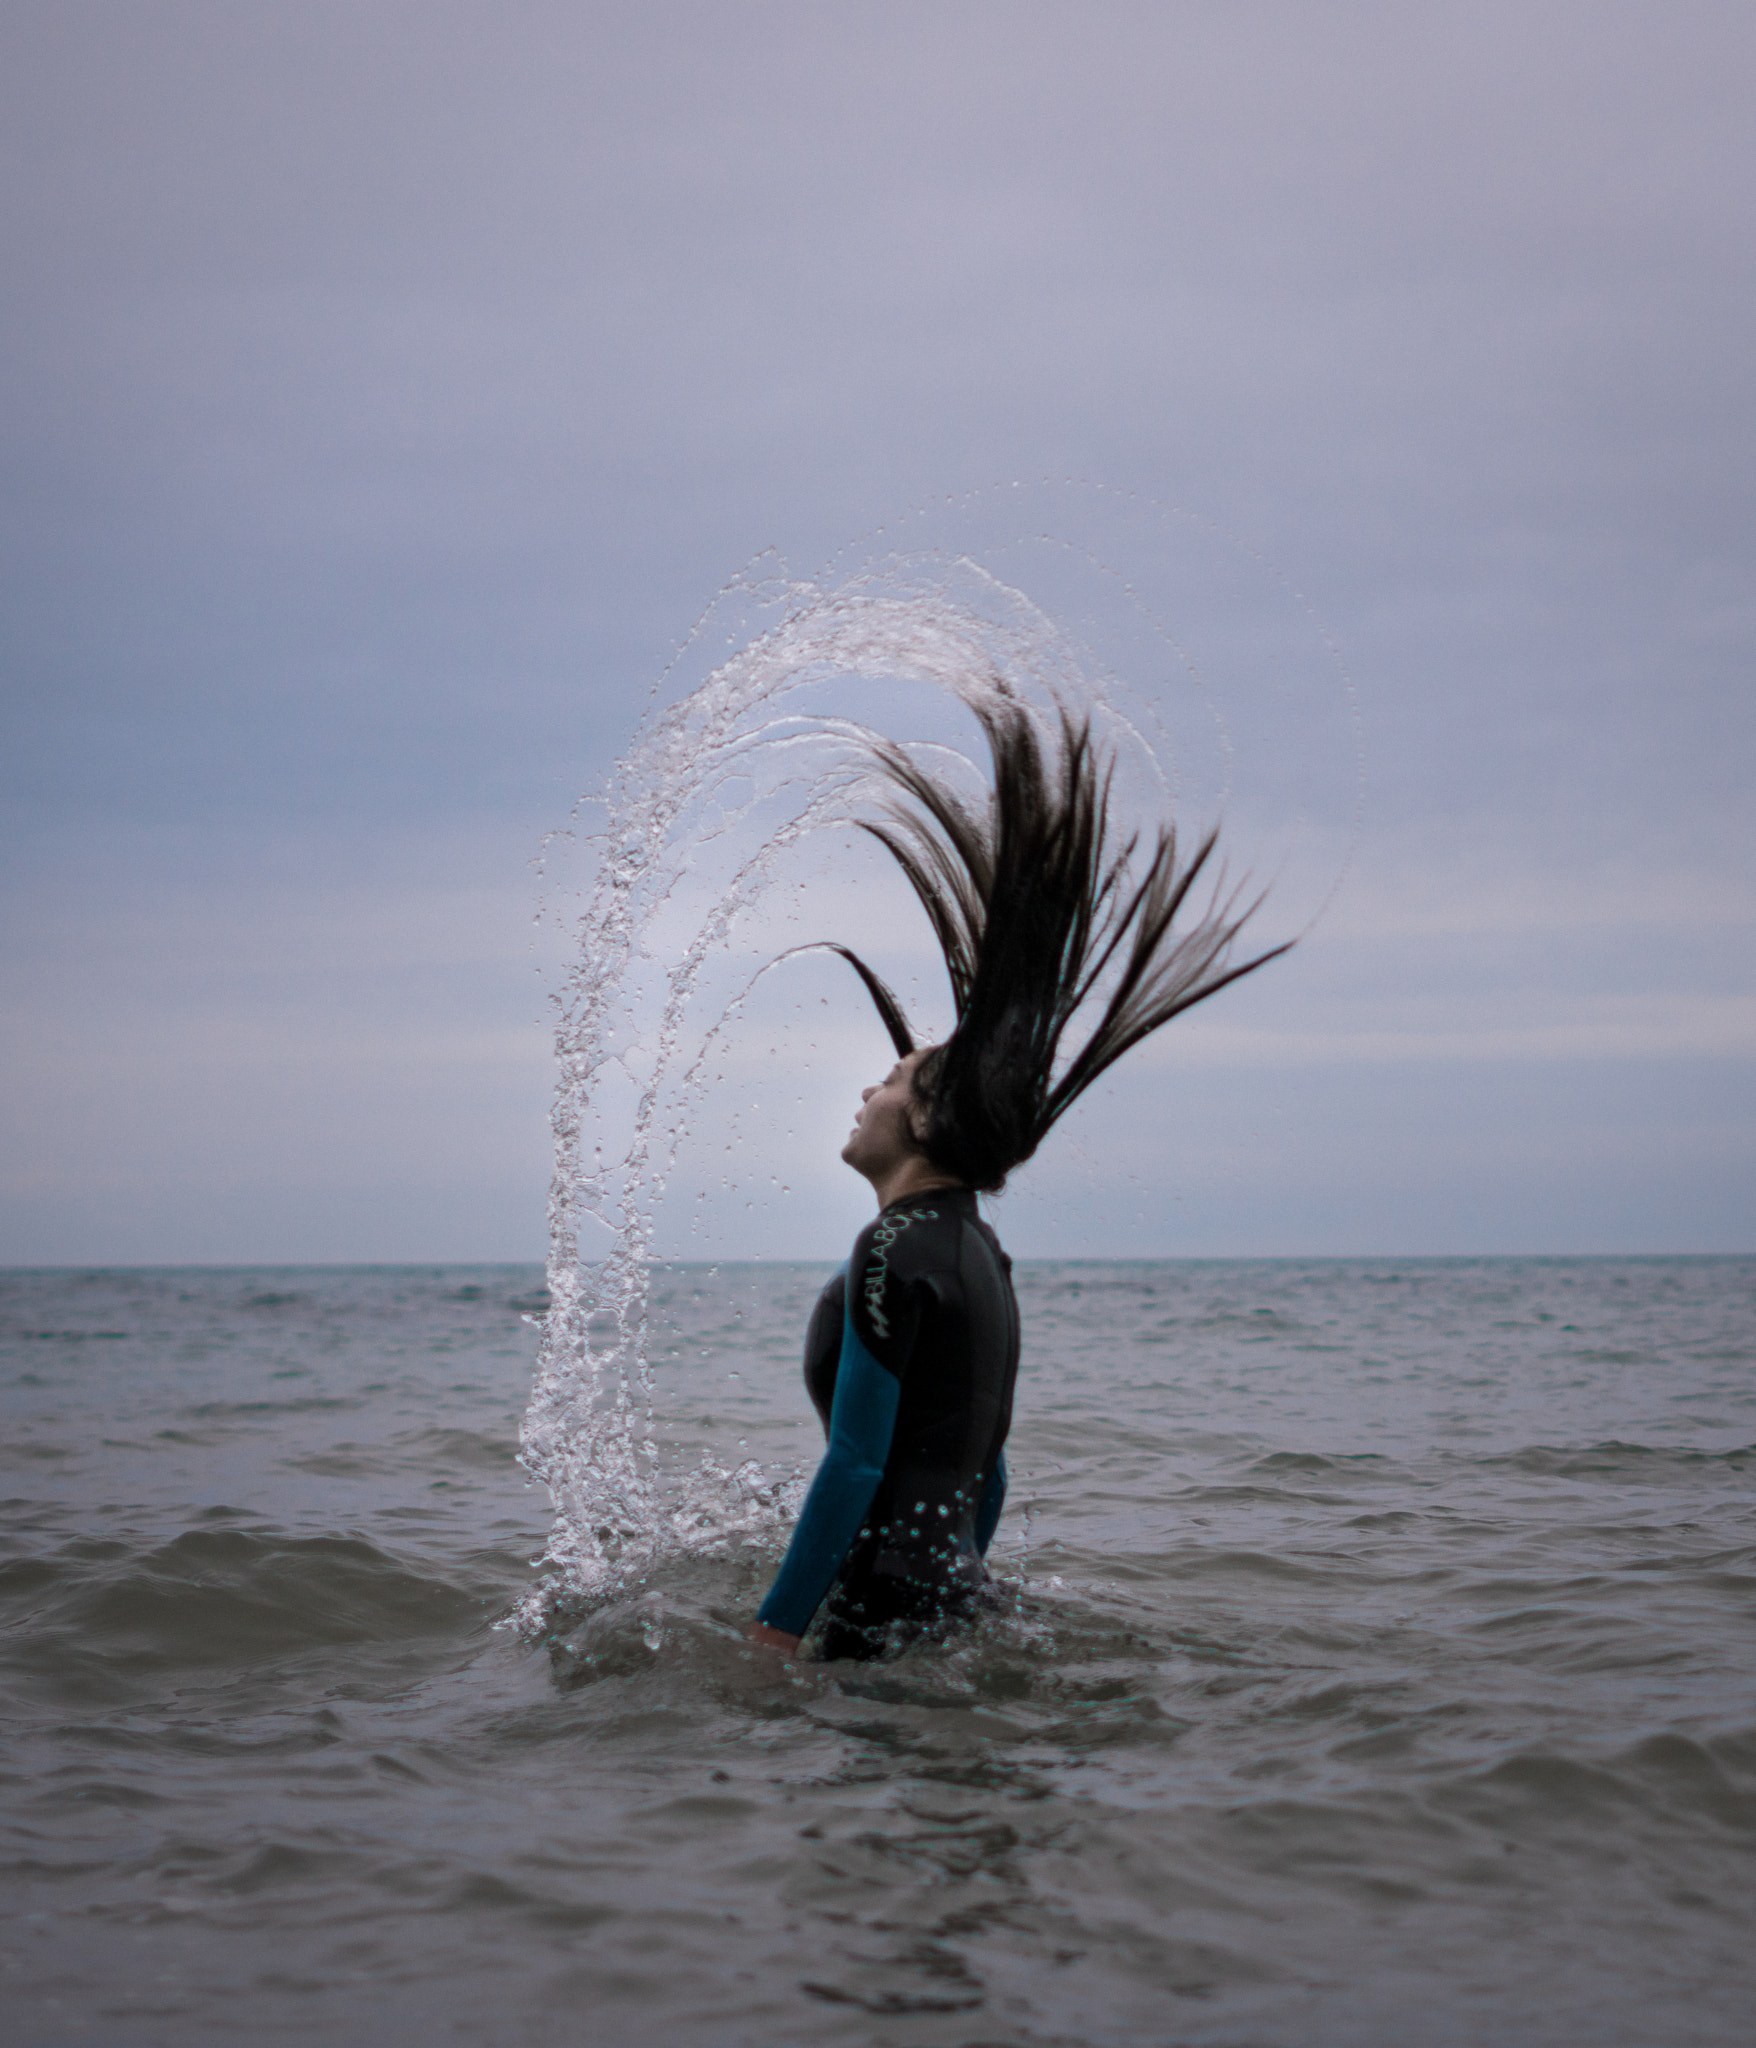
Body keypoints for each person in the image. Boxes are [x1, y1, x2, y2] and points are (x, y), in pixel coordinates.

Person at [750, 694, 1289, 1660]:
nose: (870, 1088)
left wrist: (774, 1635)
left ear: (921, 1120)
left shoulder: (891, 1248)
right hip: (955, 1602)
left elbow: (855, 1462)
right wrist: (956, 1595)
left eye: (895, 1078)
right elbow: (984, 1478)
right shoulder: (981, 1255)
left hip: (879, 1618)